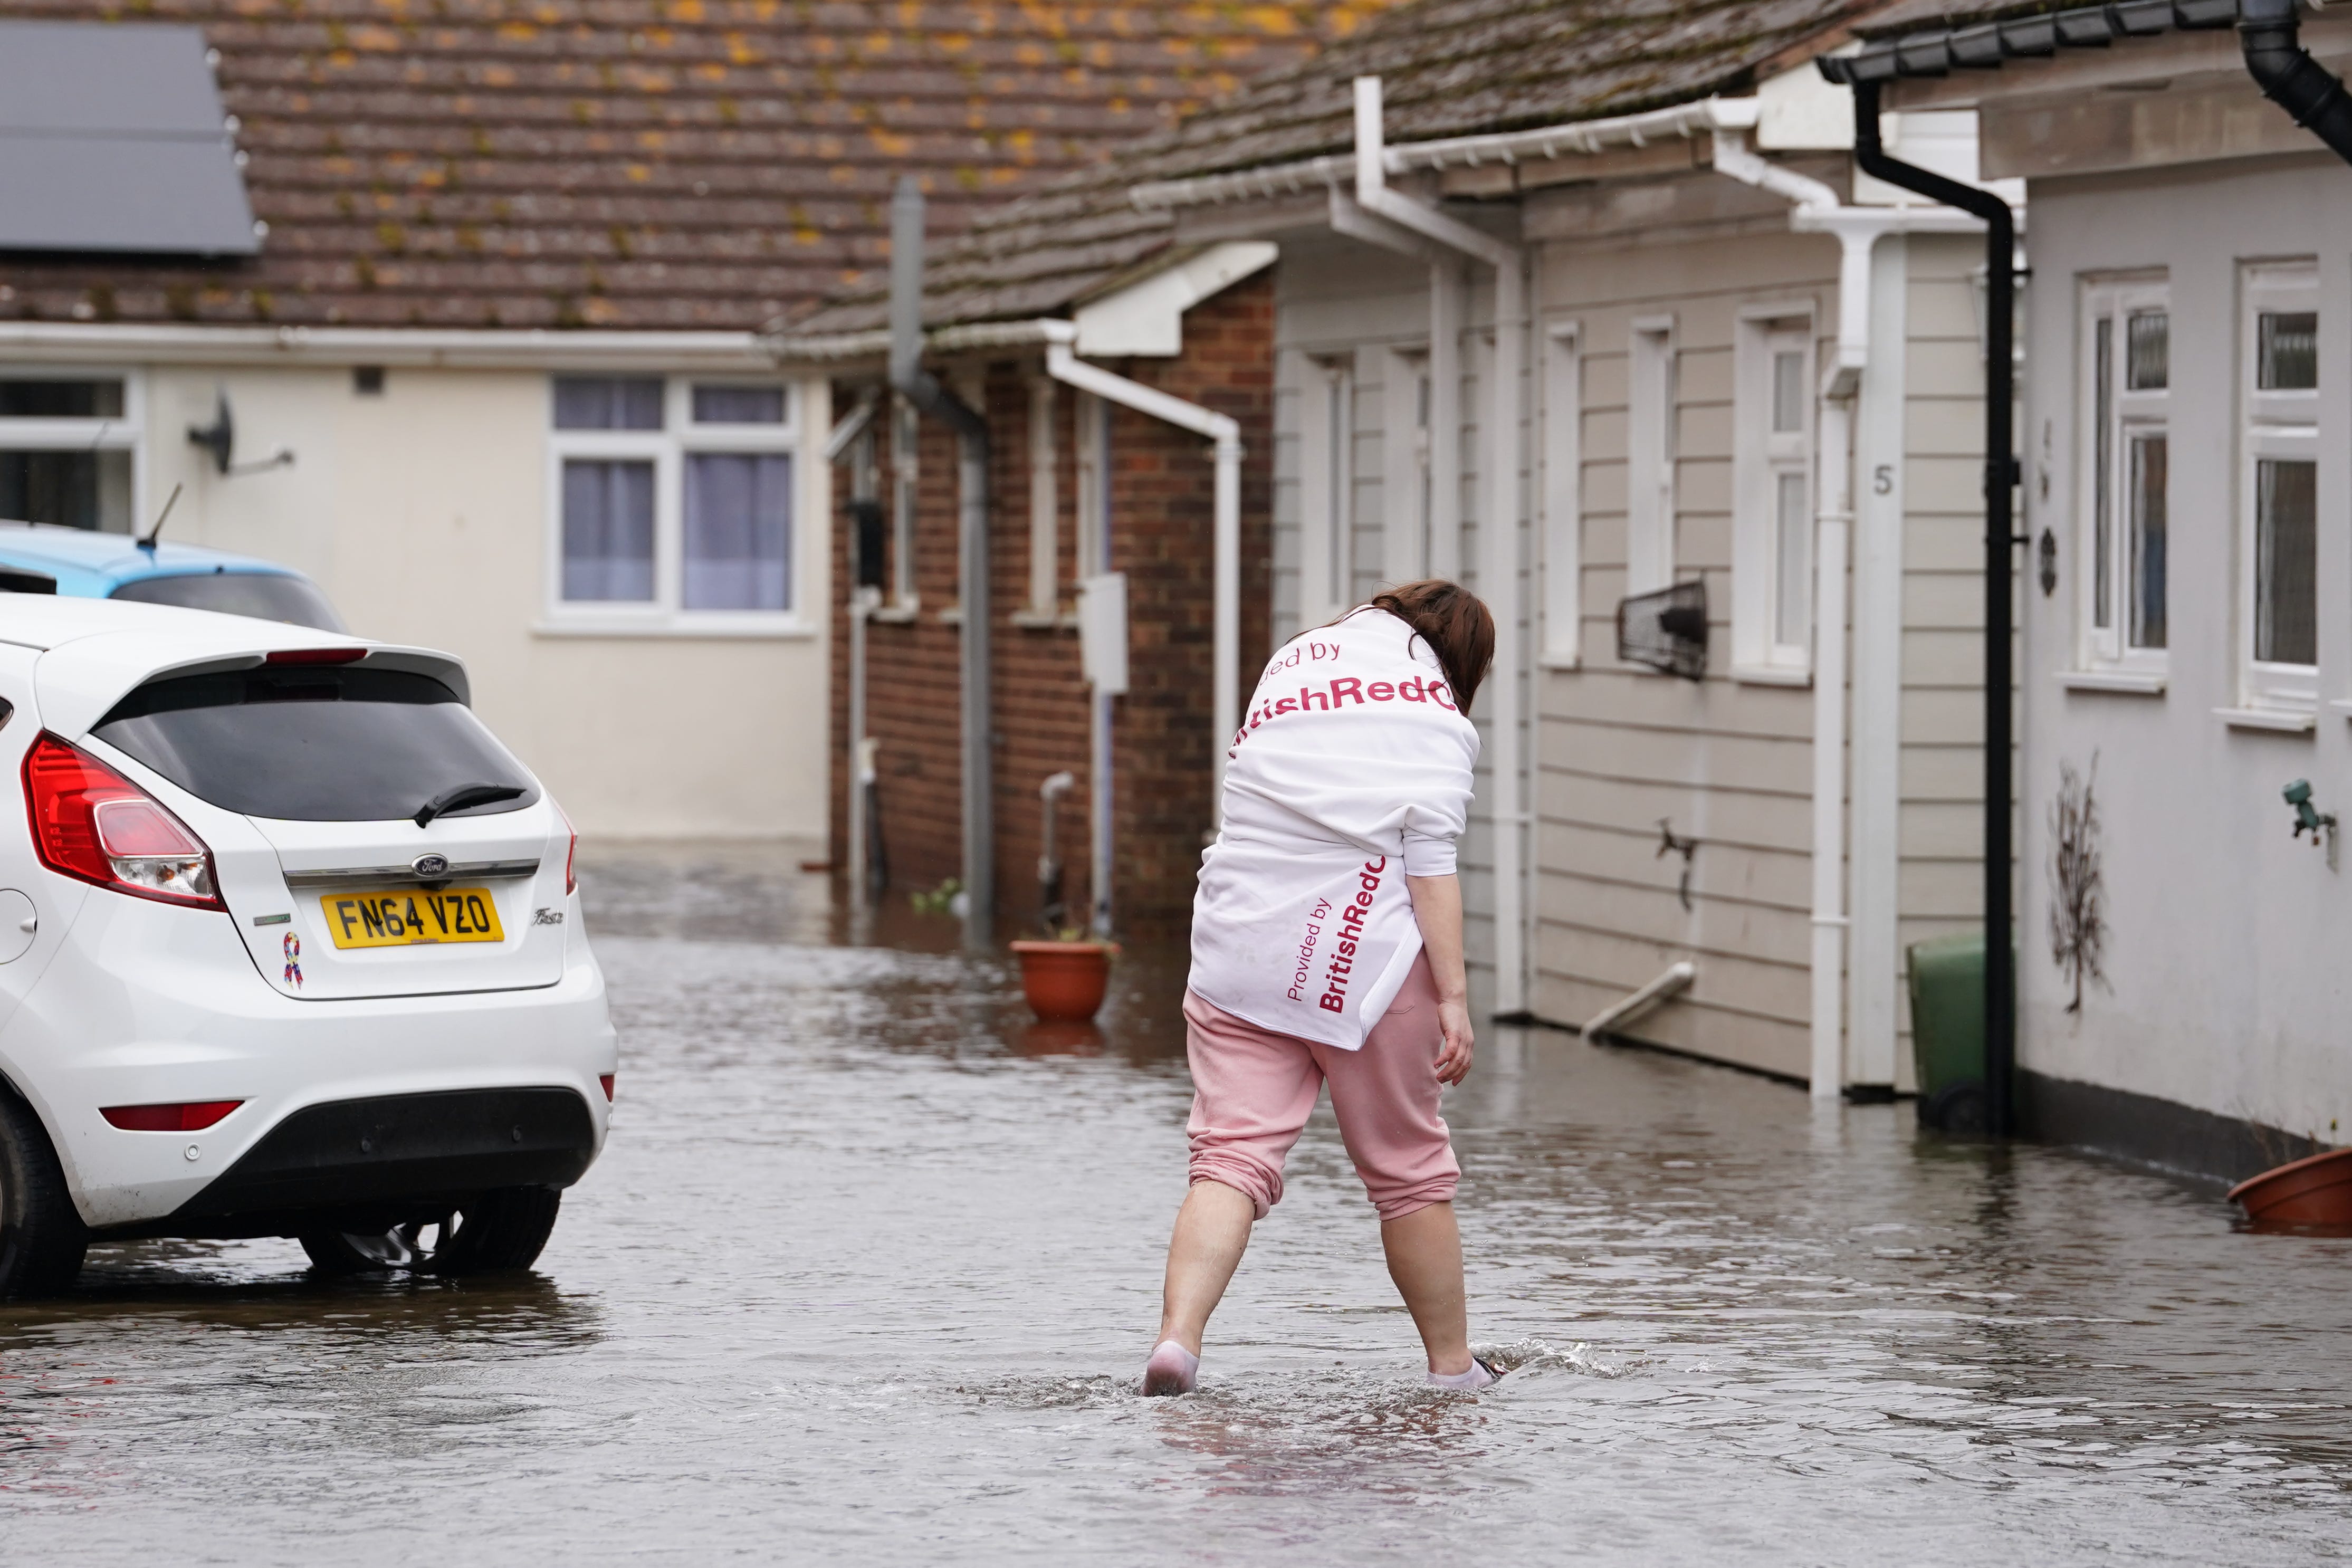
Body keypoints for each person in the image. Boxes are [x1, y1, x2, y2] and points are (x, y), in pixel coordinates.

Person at [1143, 579, 1500, 1395]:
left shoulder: (1292, 668)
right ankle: (1452, 1370)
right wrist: (1453, 998)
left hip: (1239, 949)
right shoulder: (1435, 721)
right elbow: (1429, 868)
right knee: (1409, 1174)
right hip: (1361, 967)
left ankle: (1177, 1342)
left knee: (1228, 1160)